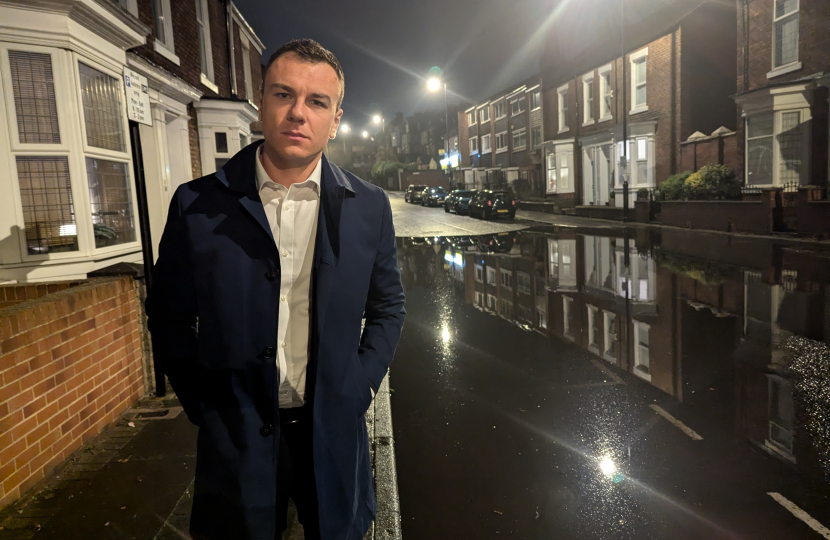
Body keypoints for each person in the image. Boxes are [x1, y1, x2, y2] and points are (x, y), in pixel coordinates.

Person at [145, 39, 405, 540]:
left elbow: (389, 306)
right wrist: (203, 403)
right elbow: (169, 315)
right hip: (237, 439)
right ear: (260, 102)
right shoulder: (197, 205)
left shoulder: (368, 207)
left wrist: (361, 386)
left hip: (331, 433)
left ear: (335, 118)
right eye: (284, 94)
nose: (297, 113)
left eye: (317, 101)